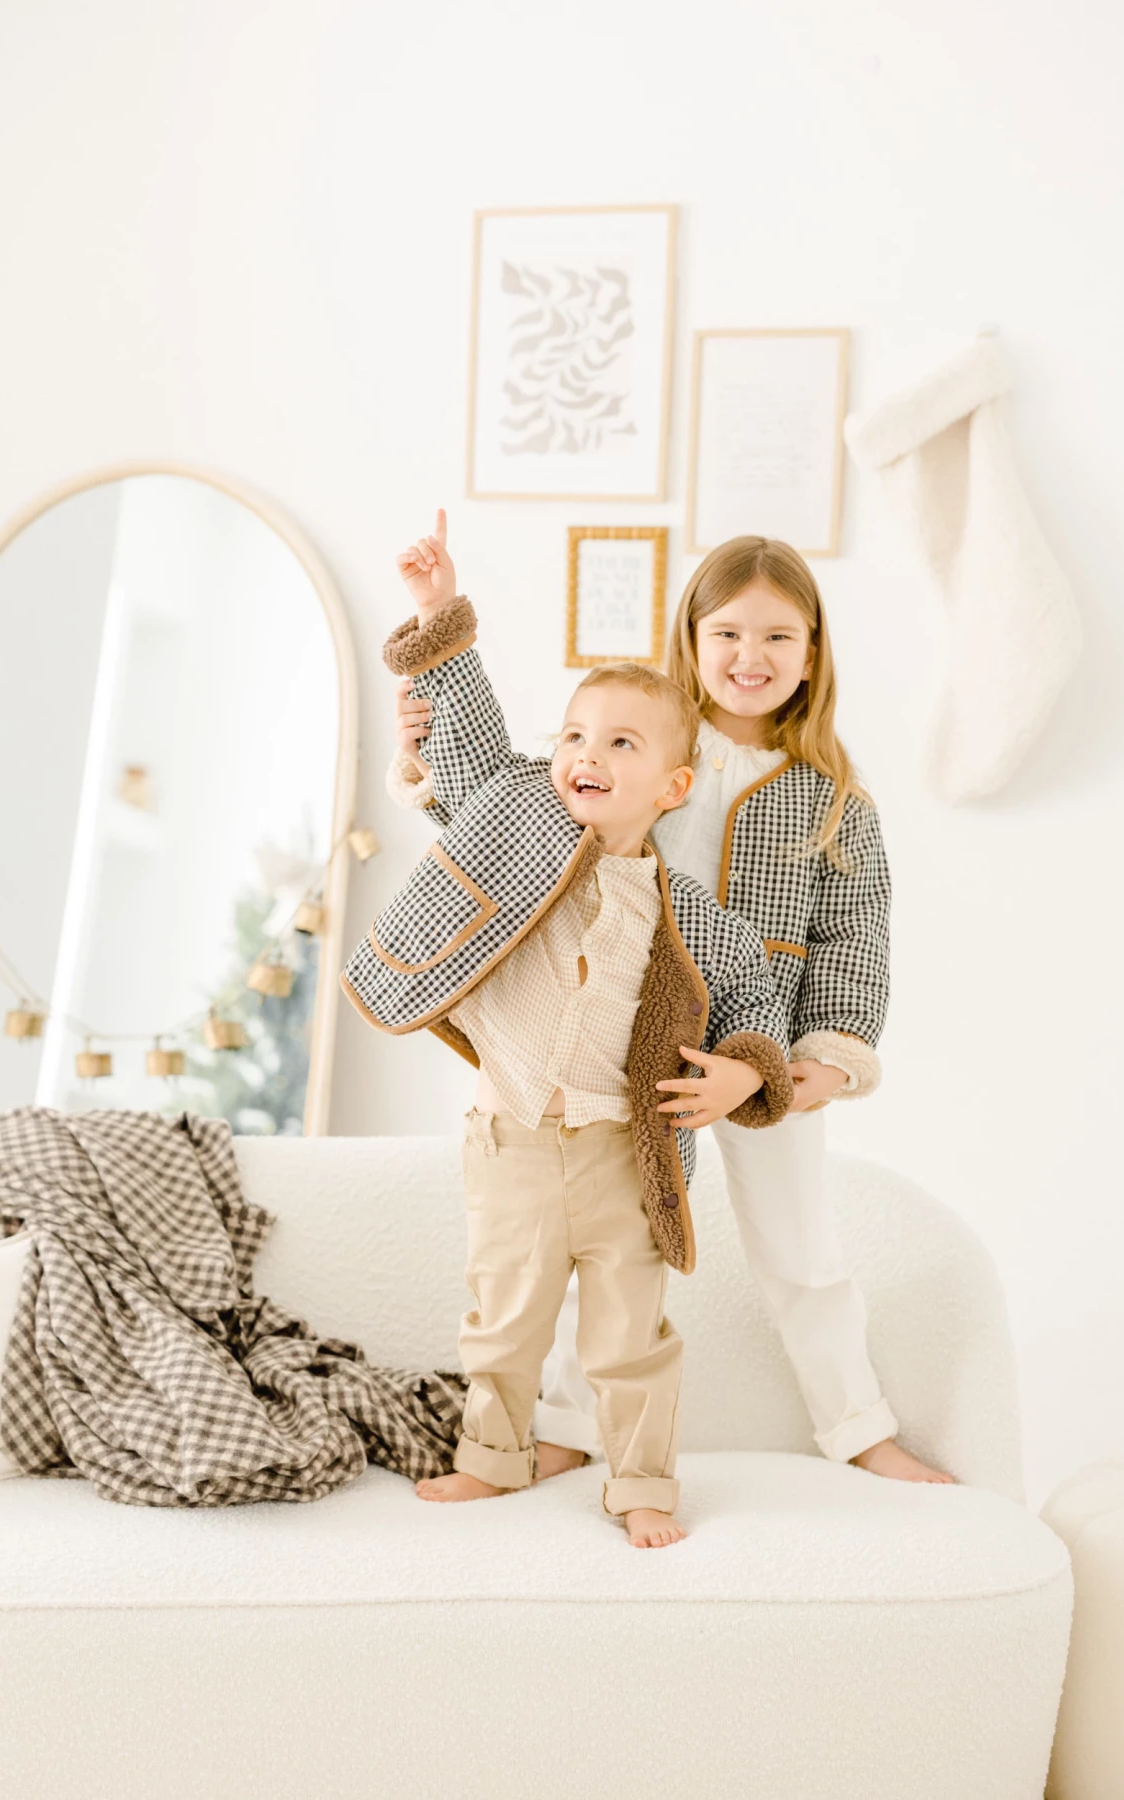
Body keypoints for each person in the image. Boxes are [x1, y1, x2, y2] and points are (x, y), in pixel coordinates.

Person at [392, 522, 953, 1486]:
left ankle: (859, 1427)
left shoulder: (835, 803)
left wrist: (812, 1067)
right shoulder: (644, 749)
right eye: (727, 632)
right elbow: (508, 809)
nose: (750, 655)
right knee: (603, 1241)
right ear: (691, 638)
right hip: (622, 1048)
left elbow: (853, 941)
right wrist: (434, 686)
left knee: (802, 1251)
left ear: (812, 652)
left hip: (762, 1059)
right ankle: (566, 1425)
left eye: (777, 636)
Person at [342, 515, 795, 1550]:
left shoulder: (691, 916)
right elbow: (467, 739)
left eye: (621, 744)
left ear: (672, 788)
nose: (587, 756)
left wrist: (743, 1073)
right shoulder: (520, 824)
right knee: (503, 1321)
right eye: (576, 737)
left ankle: (642, 1484)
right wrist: (437, 611)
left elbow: (756, 999)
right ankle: (491, 1458)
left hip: (623, 1155)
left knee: (630, 1338)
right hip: (511, 1139)